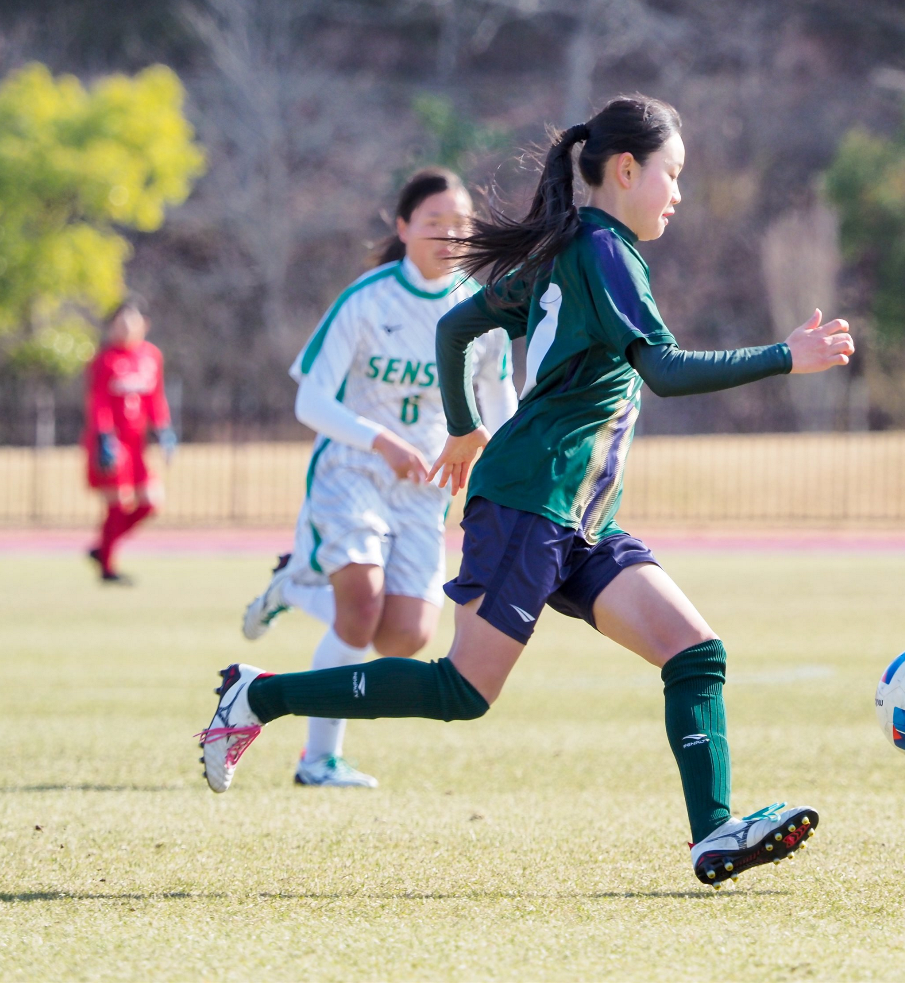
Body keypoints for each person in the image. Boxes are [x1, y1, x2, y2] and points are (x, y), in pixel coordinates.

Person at [198, 97, 853, 887]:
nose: (678, 193)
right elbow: (666, 371)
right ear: (624, 170)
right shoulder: (604, 251)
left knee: (695, 653)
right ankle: (257, 698)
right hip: (528, 500)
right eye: (671, 175)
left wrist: (467, 428)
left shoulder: (567, 247)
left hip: (577, 516)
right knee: (462, 691)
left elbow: (455, 328)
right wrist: (787, 355)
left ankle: (713, 833)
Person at [237, 167, 517, 789]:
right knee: (359, 610)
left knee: (405, 638)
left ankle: (294, 586)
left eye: (460, 224)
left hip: (425, 490)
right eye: (433, 222)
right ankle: (317, 761)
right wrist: (382, 440)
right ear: (403, 227)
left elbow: (500, 404)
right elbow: (311, 402)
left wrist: (498, 463)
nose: (448, 235)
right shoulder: (367, 299)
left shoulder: (484, 310)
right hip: (355, 471)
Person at [83, 302, 175, 585]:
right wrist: (103, 438)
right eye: (119, 323)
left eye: (131, 322)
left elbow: (155, 398)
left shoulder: (151, 356)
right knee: (116, 504)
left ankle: (102, 548)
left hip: (137, 444)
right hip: (111, 441)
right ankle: (108, 567)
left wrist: (163, 429)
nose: (125, 329)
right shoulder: (105, 360)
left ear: (144, 324)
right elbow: (98, 402)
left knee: (151, 502)